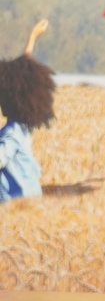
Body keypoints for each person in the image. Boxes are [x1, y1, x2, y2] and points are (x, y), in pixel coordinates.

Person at [0, 20, 56, 203]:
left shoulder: (12, 133)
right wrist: (32, 37)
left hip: (16, 203)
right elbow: (23, 76)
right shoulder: (23, 126)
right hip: (29, 200)